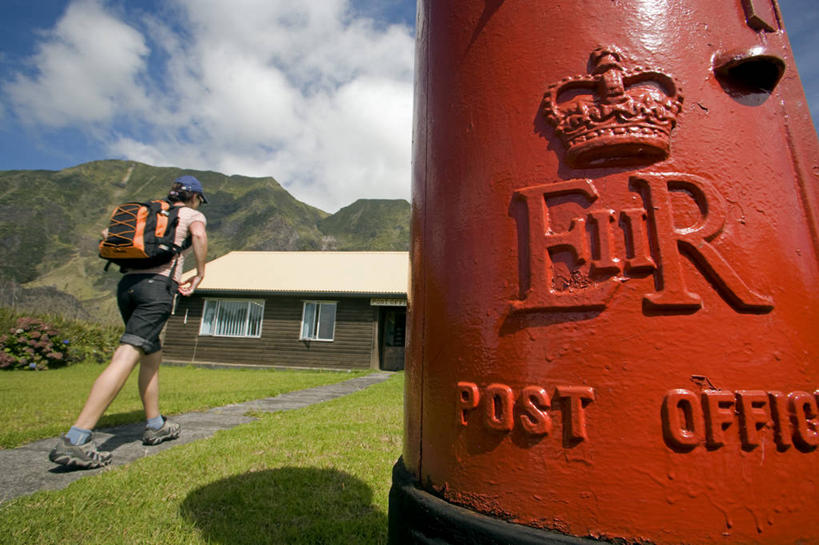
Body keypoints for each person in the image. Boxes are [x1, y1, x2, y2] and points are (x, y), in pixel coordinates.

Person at [49, 175, 209, 469]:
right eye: (198, 198)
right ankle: (77, 438)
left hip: (127, 287)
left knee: (151, 354)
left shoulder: (148, 212)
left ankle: (156, 423)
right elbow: (198, 236)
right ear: (194, 197)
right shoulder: (191, 214)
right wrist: (200, 273)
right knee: (127, 354)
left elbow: (107, 232)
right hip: (156, 288)